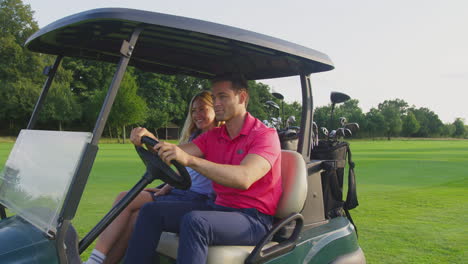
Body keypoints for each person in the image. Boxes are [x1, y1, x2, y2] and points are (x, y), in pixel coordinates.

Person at [124, 73, 282, 264]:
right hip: (218, 207)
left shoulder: (264, 136)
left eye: (223, 96)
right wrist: (148, 139)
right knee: (151, 211)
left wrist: (190, 160)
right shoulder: (214, 136)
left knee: (195, 222)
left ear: (242, 97)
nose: (216, 103)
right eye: (214, 98)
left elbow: (244, 178)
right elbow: (174, 152)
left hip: (253, 219)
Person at [84, 91, 219, 264]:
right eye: (193, 111)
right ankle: (101, 261)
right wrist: (166, 186)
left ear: (215, 109)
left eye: (202, 109)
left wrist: (150, 138)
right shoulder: (195, 137)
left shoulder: (216, 138)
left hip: (199, 199)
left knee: (129, 201)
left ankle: (94, 260)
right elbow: (184, 170)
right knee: (132, 213)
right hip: (181, 193)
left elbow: (171, 153)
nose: (197, 115)